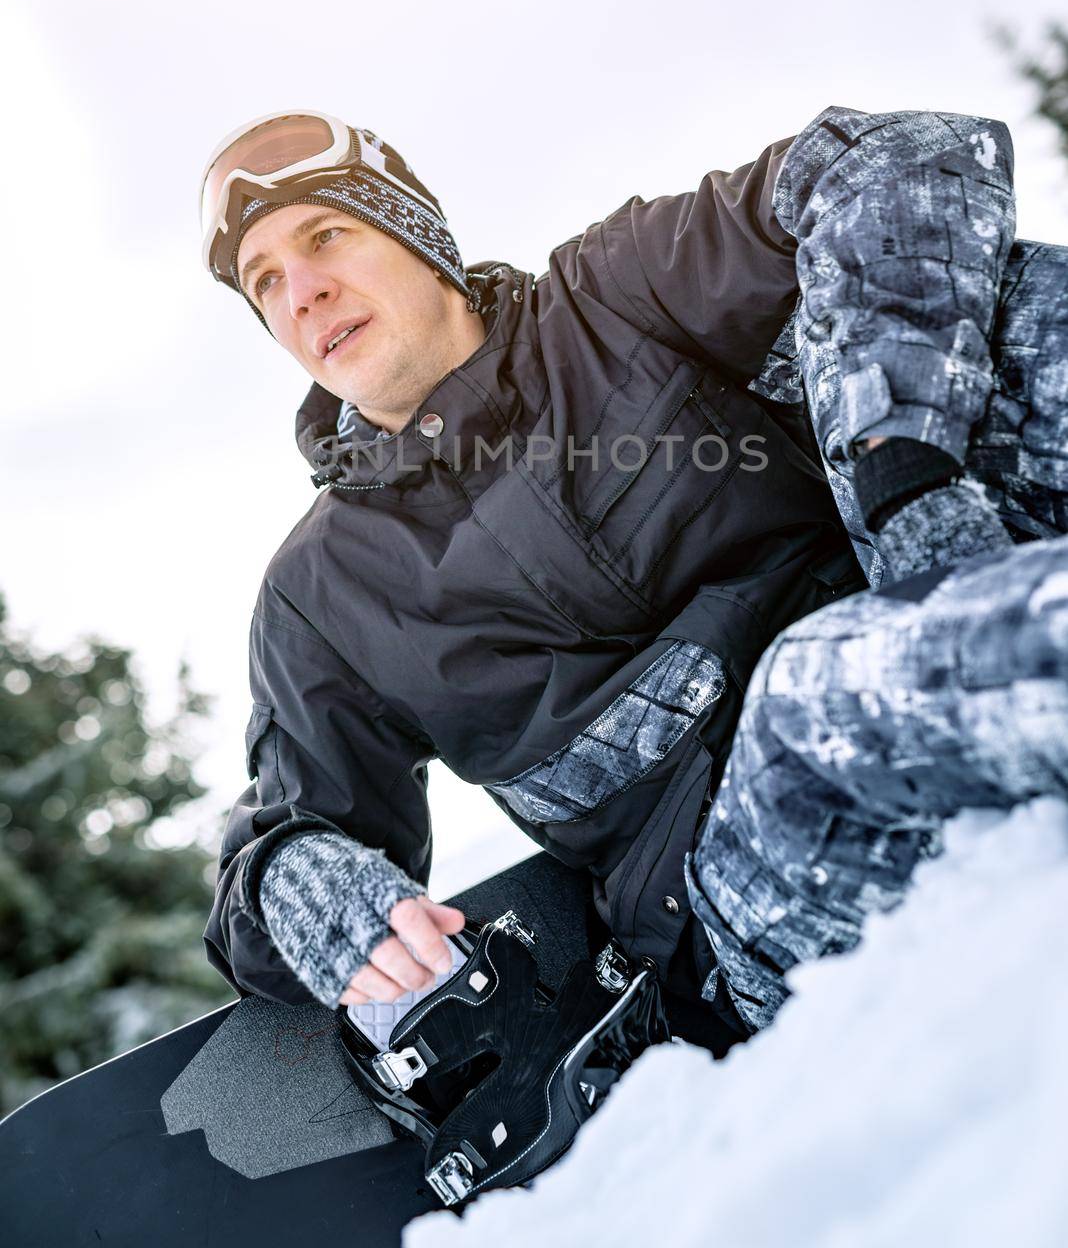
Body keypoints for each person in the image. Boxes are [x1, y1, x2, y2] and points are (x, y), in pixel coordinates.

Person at [199, 106, 1068, 1050]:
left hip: (929, 635)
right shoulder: (322, 594)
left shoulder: (610, 297)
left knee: (997, 306)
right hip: (737, 888)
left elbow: (890, 156)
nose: (304, 294)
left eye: (325, 236)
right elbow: (282, 837)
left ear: (417, 233)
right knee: (804, 695)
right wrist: (291, 880)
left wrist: (904, 468)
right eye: (267, 282)